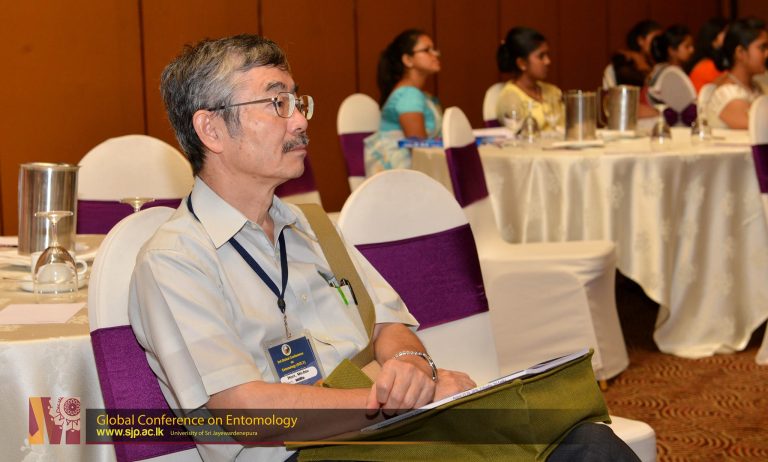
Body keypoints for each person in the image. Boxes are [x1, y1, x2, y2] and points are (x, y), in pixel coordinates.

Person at [129, 34, 640, 462]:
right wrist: (393, 402)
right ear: (211, 128)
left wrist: (412, 368)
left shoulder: (312, 227)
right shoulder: (176, 258)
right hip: (301, 453)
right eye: (277, 103)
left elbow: (390, 325)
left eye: (298, 102)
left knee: (587, 441)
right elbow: (240, 410)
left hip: (383, 433)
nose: (300, 121)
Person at [364, 29, 442, 176]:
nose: (435, 54)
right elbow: (419, 148)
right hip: (400, 177)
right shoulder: (408, 95)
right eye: (427, 50)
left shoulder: (416, 94)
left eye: (434, 49)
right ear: (408, 60)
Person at [495, 26, 563, 131]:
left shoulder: (552, 91)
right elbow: (518, 135)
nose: (548, 61)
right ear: (522, 63)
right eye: (541, 56)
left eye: (547, 55)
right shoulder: (510, 98)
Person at [705, 18, 768, 129]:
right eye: (762, 48)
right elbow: (760, 131)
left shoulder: (755, 86)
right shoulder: (728, 94)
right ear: (740, 52)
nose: (767, 53)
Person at [646, 25, 695, 105]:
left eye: (692, 46)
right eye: (687, 46)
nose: (692, 50)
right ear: (672, 50)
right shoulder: (669, 73)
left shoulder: (669, 69)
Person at [686, 17, 729, 93]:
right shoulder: (707, 65)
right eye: (725, 32)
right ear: (713, 39)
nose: (730, 36)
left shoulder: (711, 61)